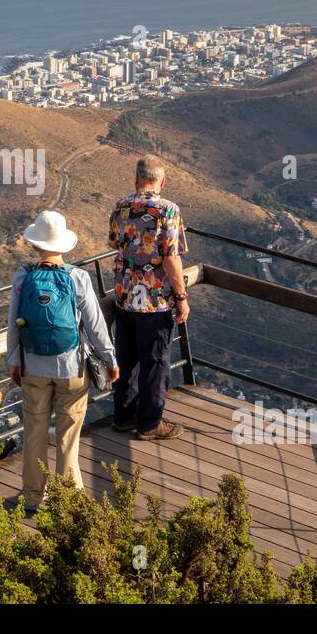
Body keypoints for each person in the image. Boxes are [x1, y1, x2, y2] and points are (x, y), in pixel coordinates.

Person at [7, 210, 118, 512]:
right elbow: (95, 326)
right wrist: (110, 359)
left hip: (32, 367)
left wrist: (14, 362)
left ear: (35, 244)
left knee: (34, 432)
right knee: (69, 435)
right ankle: (68, 500)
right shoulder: (77, 277)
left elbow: (13, 324)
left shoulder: (22, 277)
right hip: (72, 368)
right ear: (62, 244)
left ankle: (32, 497)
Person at [108, 156, 189, 441]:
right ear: (162, 181)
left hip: (124, 295)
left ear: (136, 178)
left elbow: (114, 242)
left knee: (127, 358)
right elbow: (171, 257)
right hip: (154, 301)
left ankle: (124, 417)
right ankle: (150, 423)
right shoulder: (168, 210)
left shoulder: (121, 205)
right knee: (155, 361)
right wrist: (181, 296)